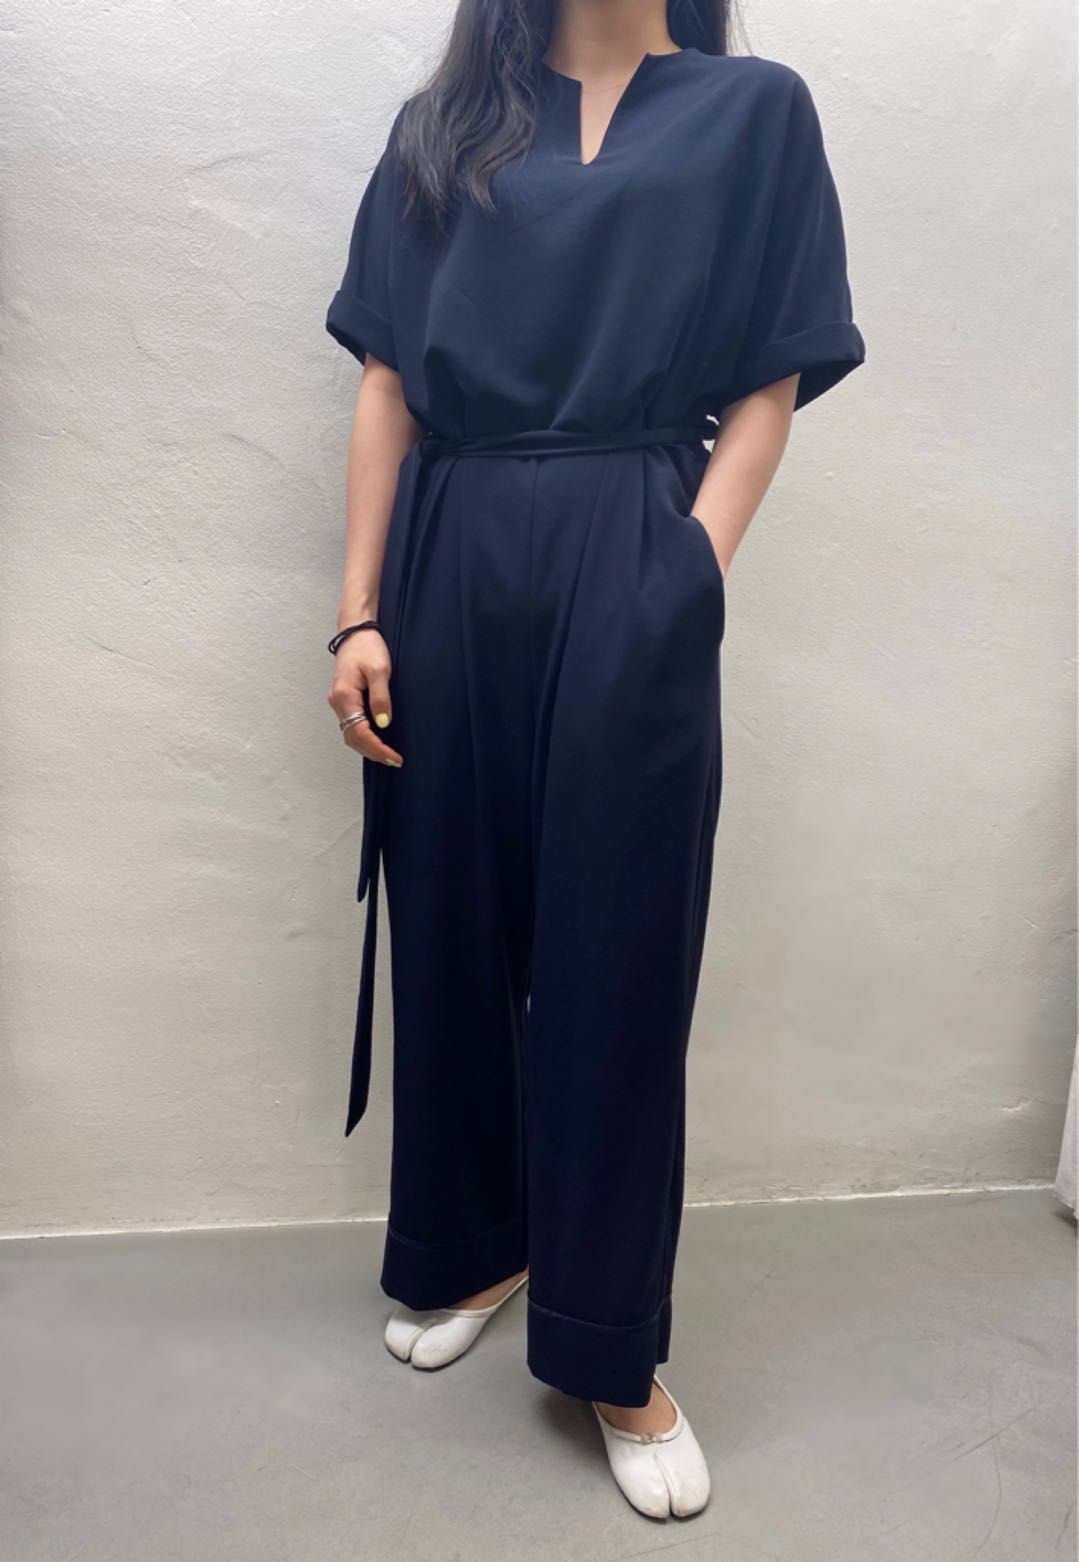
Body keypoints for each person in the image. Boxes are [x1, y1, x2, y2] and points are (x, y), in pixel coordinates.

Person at [323, 0, 865, 1520]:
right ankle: (470, 1245)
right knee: (449, 929)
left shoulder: (754, 113)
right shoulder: (441, 129)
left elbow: (771, 377)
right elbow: (386, 382)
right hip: (449, 552)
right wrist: (357, 612)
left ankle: (608, 1342)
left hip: (633, 544)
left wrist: (686, 572)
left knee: (618, 953)